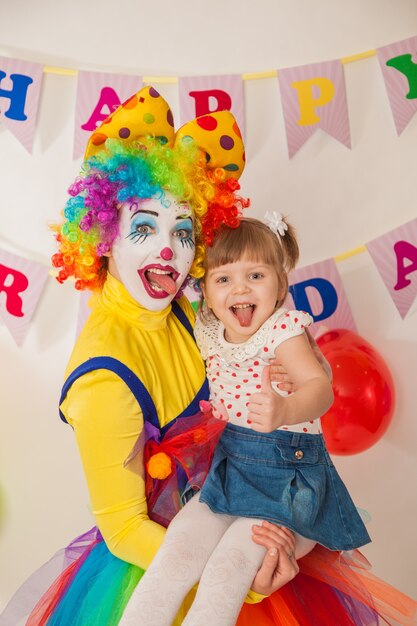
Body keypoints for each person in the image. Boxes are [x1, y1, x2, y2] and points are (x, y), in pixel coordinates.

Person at [1, 86, 415, 626]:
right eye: (144, 228)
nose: (168, 249)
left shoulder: (190, 313)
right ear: (104, 236)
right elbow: (124, 530)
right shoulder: (104, 379)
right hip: (166, 558)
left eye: (183, 231)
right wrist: (243, 584)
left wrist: (292, 388)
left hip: (250, 502)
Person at [118, 214, 372, 626]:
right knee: (176, 553)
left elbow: (319, 388)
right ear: (204, 290)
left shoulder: (283, 331)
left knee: (230, 567)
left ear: (280, 286)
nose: (239, 288)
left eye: (255, 275)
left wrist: (286, 409)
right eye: (223, 279)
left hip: (289, 480)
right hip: (230, 470)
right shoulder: (207, 330)